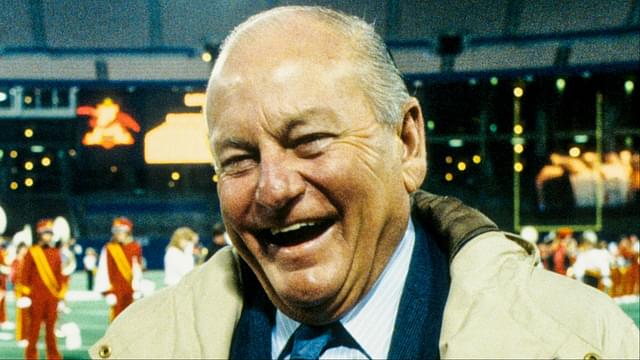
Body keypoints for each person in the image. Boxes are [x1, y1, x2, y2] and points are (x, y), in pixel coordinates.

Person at [91, 6, 639, 359]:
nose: (274, 188)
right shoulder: (141, 344)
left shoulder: (586, 341)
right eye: (238, 159)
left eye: (310, 141)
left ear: (407, 145)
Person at [19, 219, 65, 360]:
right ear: (39, 235)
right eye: (46, 233)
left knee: (51, 329)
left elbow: (59, 277)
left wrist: (61, 297)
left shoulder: (56, 253)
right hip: (36, 296)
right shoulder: (32, 252)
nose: (48, 236)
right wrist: (24, 295)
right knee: (34, 329)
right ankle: (31, 356)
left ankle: (53, 355)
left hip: (52, 297)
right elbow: (24, 274)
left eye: (50, 233)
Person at [94, 217, 143, 322]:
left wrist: (137, 288)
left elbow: (137, 270)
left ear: (127, 232)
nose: (118, 234)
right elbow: (103, 271)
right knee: (116, 322)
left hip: (131, 291)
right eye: (116, 231)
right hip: (115, 292)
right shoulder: (109, 248)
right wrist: (107, 292)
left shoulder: (135, 247)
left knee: (132, 321)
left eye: (120, 231)